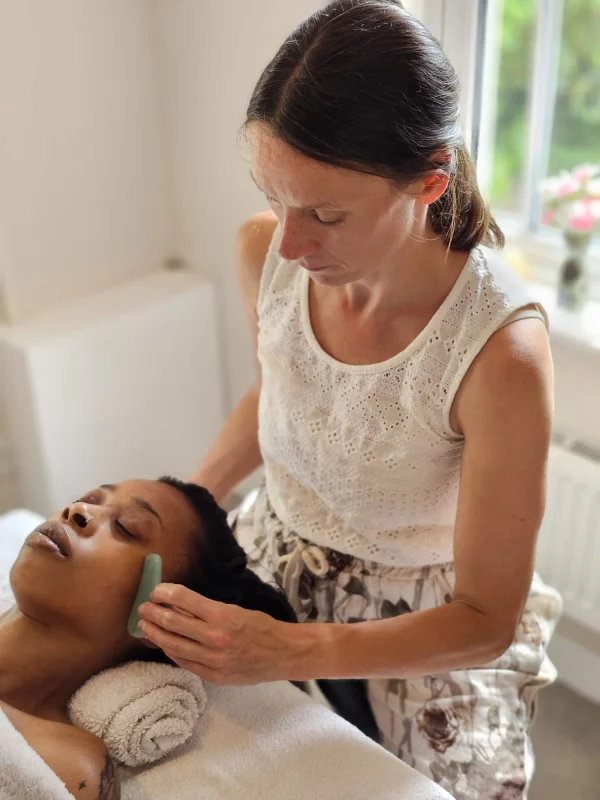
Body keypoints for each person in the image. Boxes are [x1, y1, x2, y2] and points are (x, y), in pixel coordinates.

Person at [137, 2, 562, 798]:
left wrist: (290, 651)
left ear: (430, 181)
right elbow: (285, 390)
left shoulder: (498, 354)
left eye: (327, 215)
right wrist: (186, 504)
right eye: (275, 196)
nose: (291, 245)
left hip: (426, 631)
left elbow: (486, 619)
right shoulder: (263, 249)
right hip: (277, 552)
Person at [0, 477, 295, 800]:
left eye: (126, 527)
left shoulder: (65, 768)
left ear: (164, 616)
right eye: (89, 498)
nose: (79, 510)